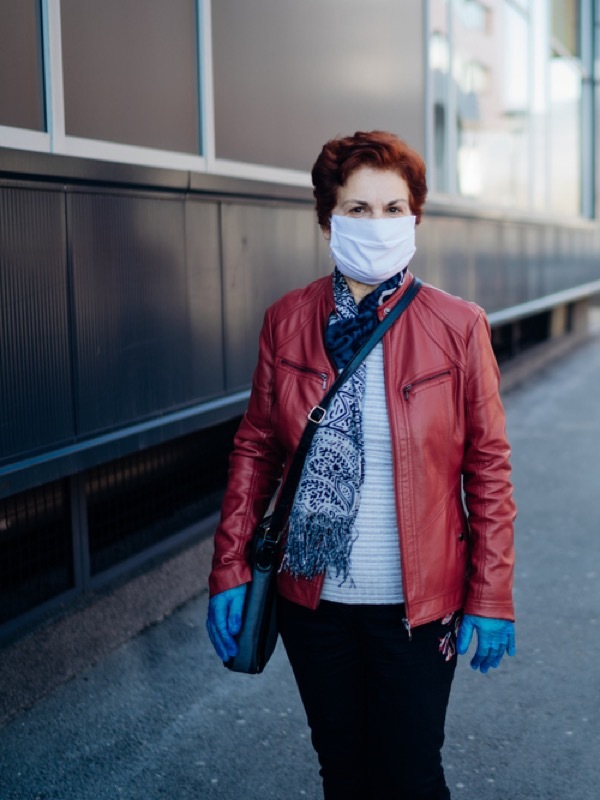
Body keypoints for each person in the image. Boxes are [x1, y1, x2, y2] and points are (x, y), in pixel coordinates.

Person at [205, 130, 516, 800]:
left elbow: (488, 469)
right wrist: (229, 566)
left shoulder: (458, 325)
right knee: (343, 771)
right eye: (357, 209)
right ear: (326, 221)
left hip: (420, 605)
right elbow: (256, 448)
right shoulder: (288, 320)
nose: (377, 224)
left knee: (410, 774)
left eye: (392, 208)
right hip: (311, 605)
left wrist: (491, 595)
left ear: (416, 218)